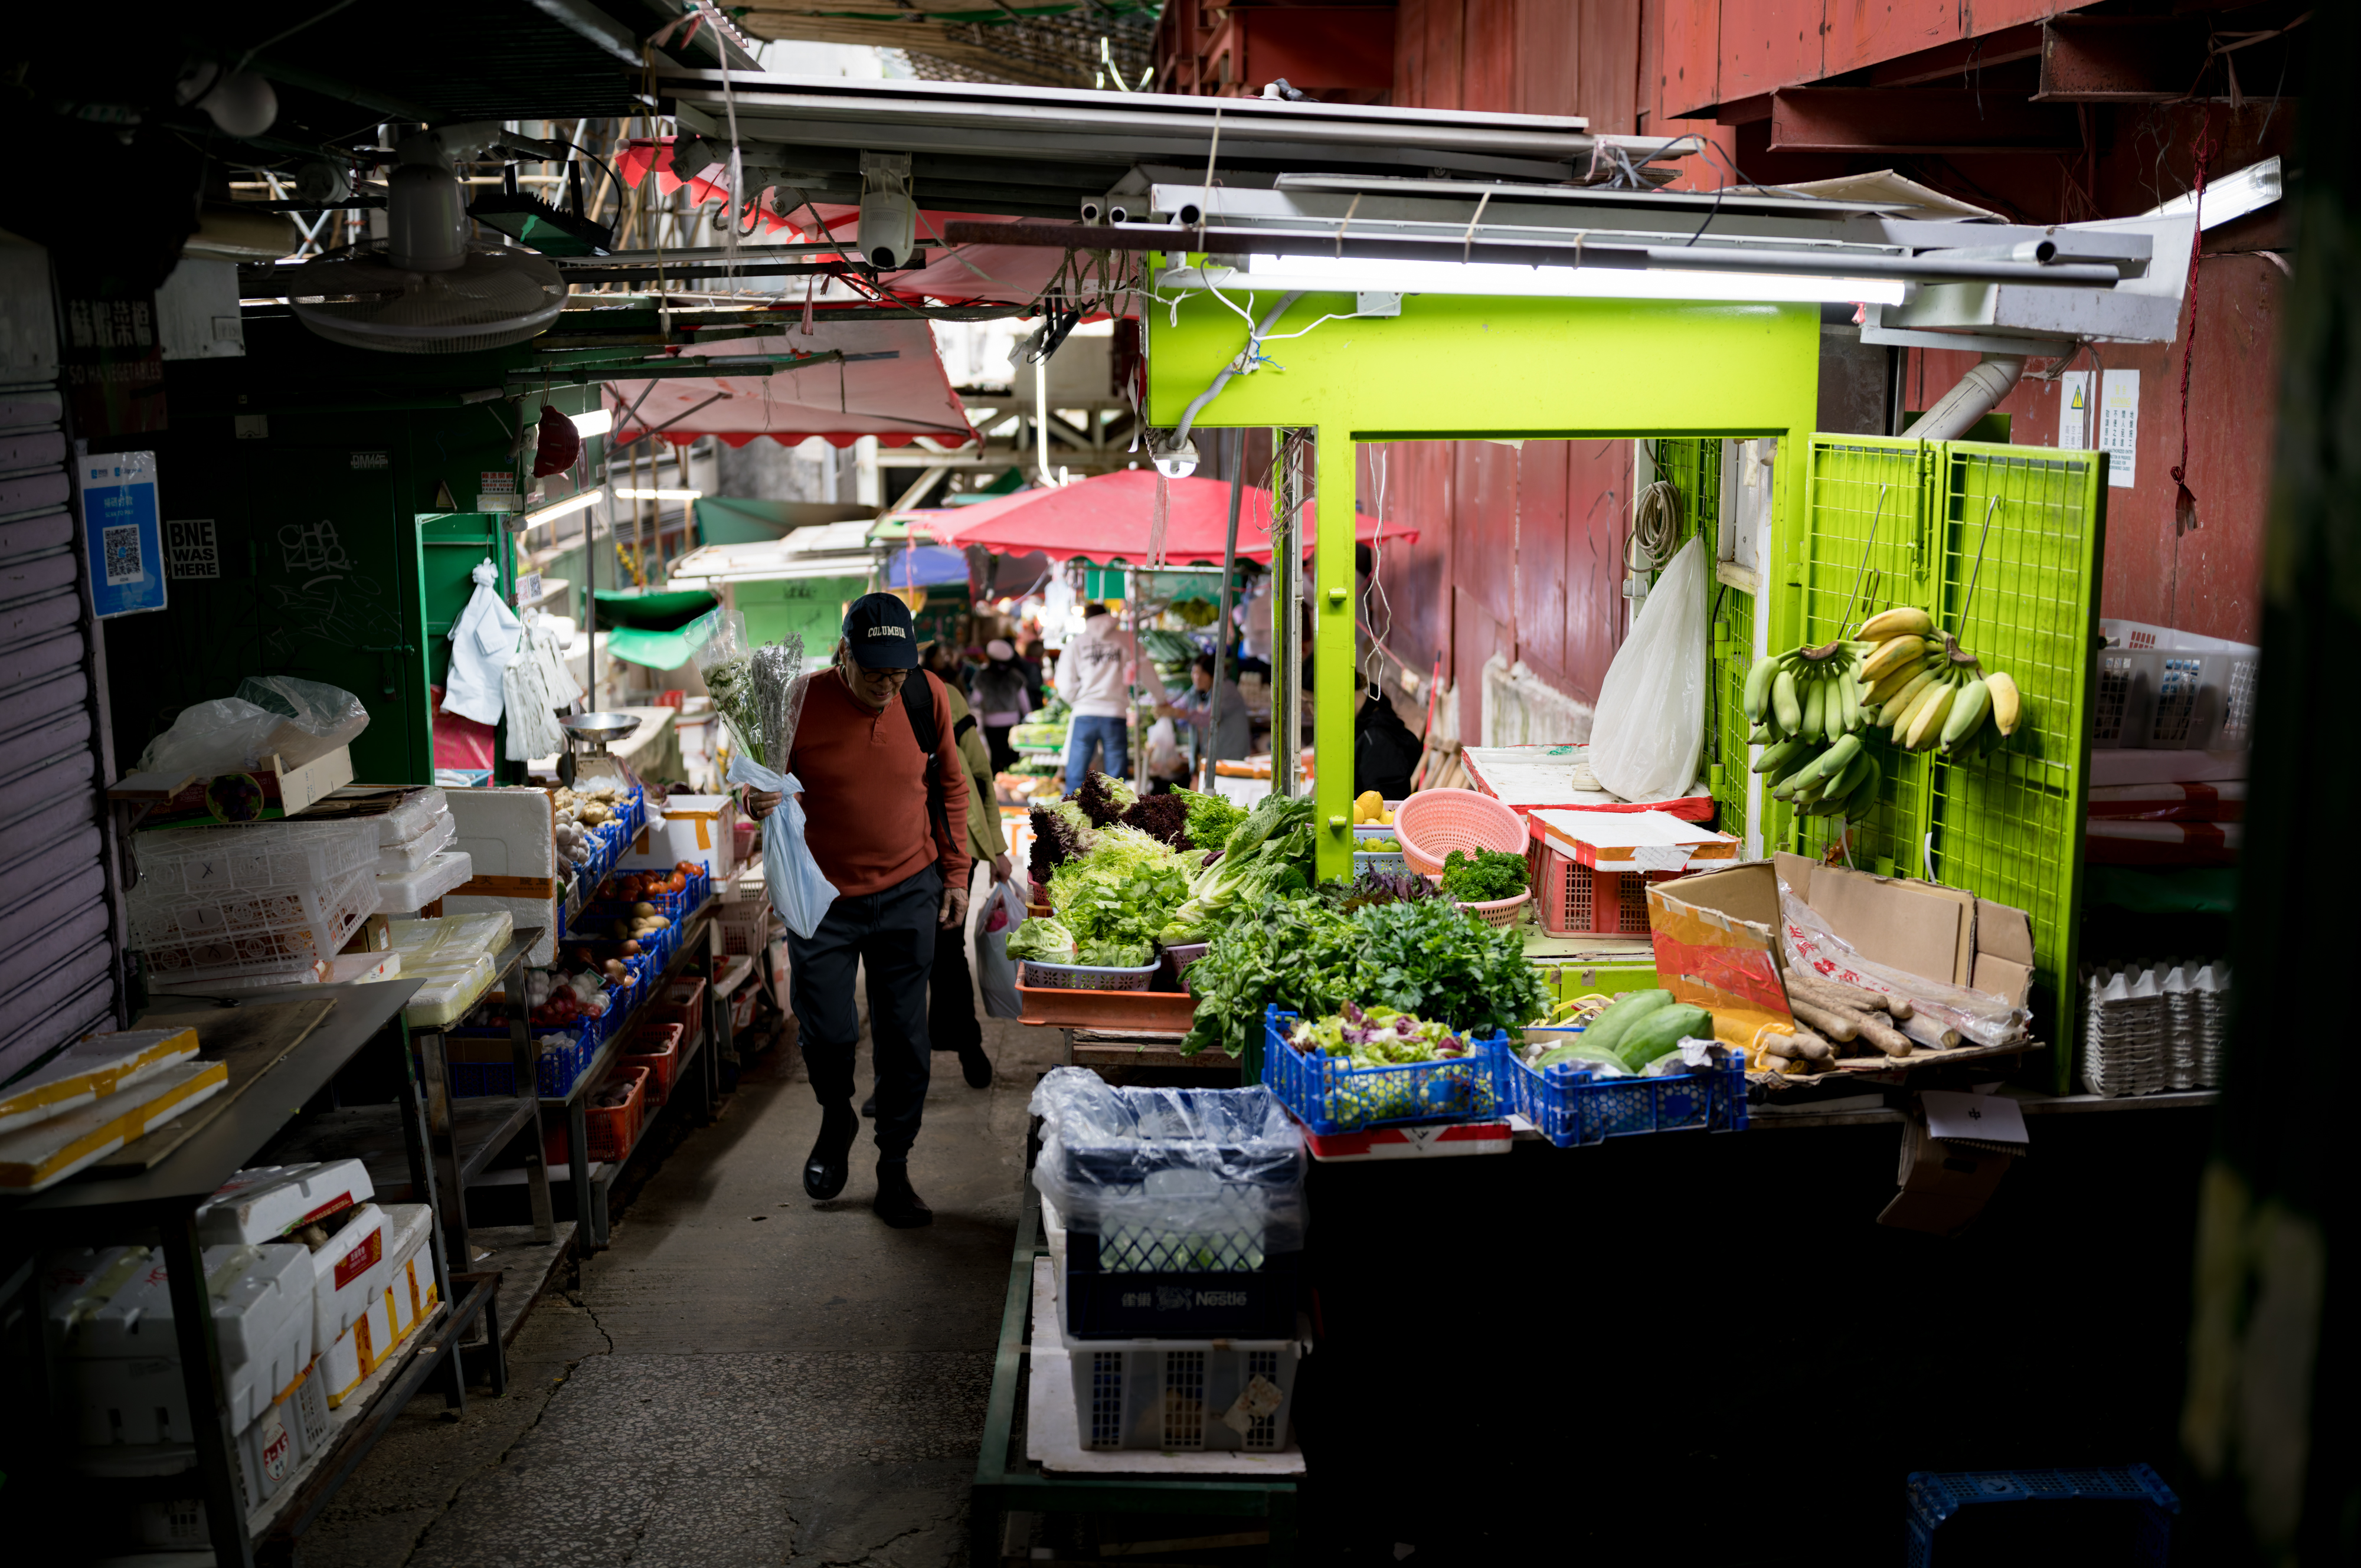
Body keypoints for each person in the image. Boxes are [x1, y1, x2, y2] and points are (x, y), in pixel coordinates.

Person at [738, 593, 970, 1229]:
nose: (887, 687)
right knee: (828, 1032)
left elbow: (951, 786)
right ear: (844, 654)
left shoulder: (926, 695)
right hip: (823, 897)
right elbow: (759, 781)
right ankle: (835, 1113)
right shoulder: (796, 701)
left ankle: (894, 1167)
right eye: (875, 674)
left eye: (897, 673)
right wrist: (754, 800)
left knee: (904, 1038)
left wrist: (956, 874)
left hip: (908, 888)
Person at [1054, 602, 1138, 792]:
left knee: (1076, 776)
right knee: (1116, 781)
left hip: (1085, 714)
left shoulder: (1076, 643)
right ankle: (1116, 811)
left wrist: (1078, 700)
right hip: (1115, 714)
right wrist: (1161, 699)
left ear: (1087, 620)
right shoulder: (1126, 639)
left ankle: (1072, 810)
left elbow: (1064, 683)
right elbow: (1145, 669)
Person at [1154, 652, 1251, 770]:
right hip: (1211, 759)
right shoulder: (1196, 691)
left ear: (1212, 675)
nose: (1197, 677)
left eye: (1202, 673)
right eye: (1194, 672)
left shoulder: (1226, 689)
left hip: (1230, 757)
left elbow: (1210, 718)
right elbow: (1181, 705)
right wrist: (1165, 708)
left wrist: (1178, 713)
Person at [971, 637, 1032, 774]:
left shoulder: (981, 677)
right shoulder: (1016, 677)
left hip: (990, 724)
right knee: (1012, 759)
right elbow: (1025, 703)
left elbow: (975, 701)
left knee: (995, 758)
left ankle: (996, 781)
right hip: (1012, 723)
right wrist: (1028, 717)